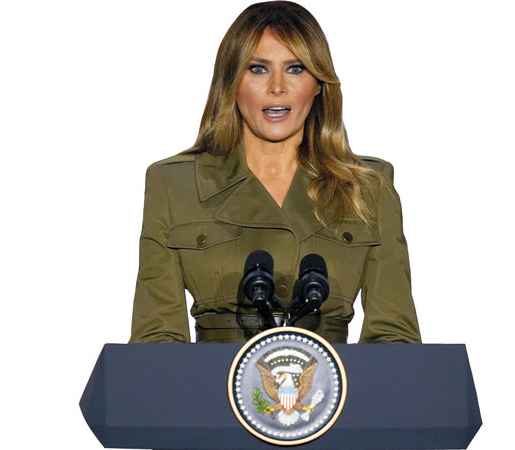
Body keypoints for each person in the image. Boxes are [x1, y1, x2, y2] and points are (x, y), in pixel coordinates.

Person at [129, 1, 421, 344]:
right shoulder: (174, 185)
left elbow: (395, 342)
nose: (277, 87)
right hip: (214, 377)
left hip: (334, 378)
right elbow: (155, 345)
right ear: (231, 81)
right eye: (258, 69)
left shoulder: (368, 187)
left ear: (318, 84)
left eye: (296, 69)